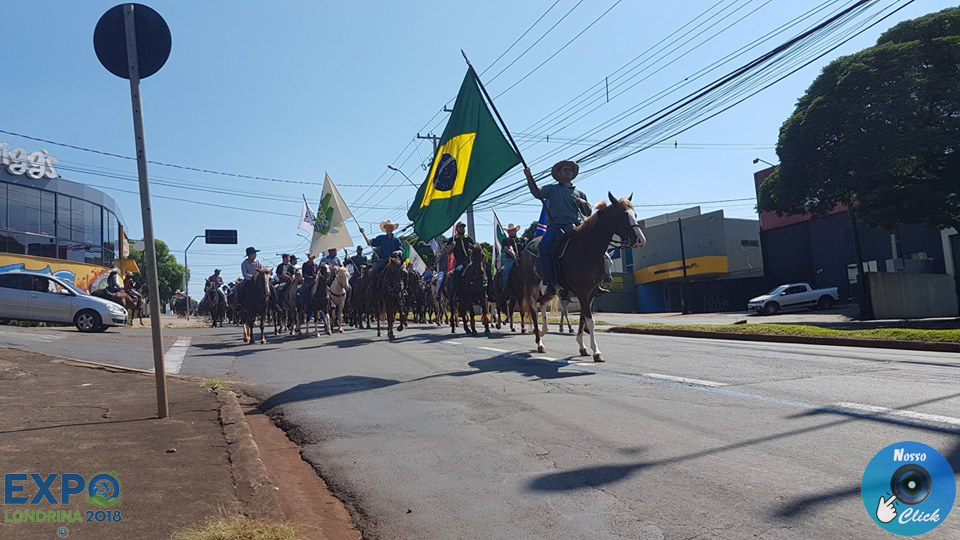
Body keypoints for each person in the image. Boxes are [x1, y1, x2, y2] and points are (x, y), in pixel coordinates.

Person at [525, 160, 595, 299]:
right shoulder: (552, 189)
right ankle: (549, 282)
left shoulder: (579, 193)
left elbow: (588, 213)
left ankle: (598, 280)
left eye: (570, 169)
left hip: (577, 226)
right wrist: (529, 177)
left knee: (596, 246)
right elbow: (537, 193)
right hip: (556, 227)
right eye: (565, 169)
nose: (568, 171)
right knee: (544, 246)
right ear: (558, 173)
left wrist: (584, 203)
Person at [359, 220, 402, 287]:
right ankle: (373, 289)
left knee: (405, 272)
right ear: (385, 228)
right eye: (388, 227)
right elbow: (369, 242)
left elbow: (401, 250)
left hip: (394, 261)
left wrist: (397, 252)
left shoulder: (396, 240)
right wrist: (363, 233)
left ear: (393, 228)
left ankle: (405, 290)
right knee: (374, 271)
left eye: (391, 227)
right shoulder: (381, 238)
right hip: (384, 260)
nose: (389, 228)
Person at [444, 222, 474, 296]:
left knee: (483, 271)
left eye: (463, 227)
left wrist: (472, 250)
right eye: (460, 227)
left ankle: (488, 292)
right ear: (457, 228)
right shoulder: (453, 239)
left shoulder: (468, 238)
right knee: (457, 271)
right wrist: (452, 246)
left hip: (470, 260)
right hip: (460, 261)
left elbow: (475, 248)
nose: (462, 228)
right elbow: (448, 252)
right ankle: (455, 292)